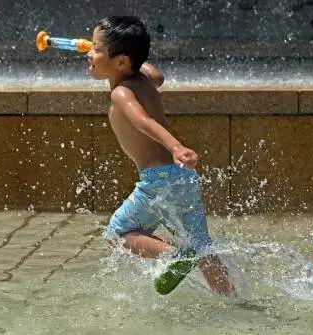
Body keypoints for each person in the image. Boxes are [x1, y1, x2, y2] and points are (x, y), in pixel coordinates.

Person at [87, 16, 234, 295]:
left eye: (95, 48)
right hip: (181, 177)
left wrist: (176, 146)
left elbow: (142, 121)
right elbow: (158, 75)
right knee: (202, 246)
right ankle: (234, 300)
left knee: (117, 234)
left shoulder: (121, 93)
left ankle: (175, 256)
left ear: (121, 62)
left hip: (158, 180)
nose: (88, 53)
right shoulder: (144, 78)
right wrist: (118, 53)